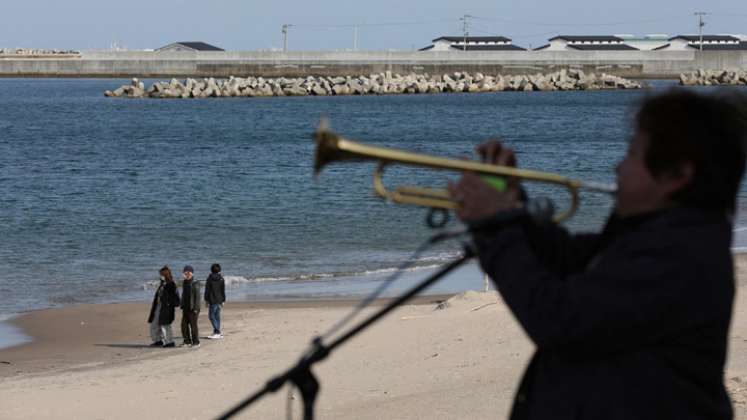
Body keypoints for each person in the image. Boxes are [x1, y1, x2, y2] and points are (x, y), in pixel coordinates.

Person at [449, 89, 747, 419]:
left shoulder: (679, 256)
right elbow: (568, 260)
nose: (618, 166)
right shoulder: (658, 236)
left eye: (632, 154)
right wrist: (513, 200)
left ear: (677, 174)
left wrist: (496, 223)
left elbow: (559, 321)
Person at [147, 266, 180, 348]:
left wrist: (169, 303)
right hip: (158, 307)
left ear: (165, 275)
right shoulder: (162, 284)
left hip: (166, 308)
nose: (160, 276)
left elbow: (176, 299)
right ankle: (158, 341)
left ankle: (170, 342)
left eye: (161, 275)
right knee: (154, 324)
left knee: (165, 325)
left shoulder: (171, 284)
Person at [180, 265, 201, 348]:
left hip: (193, 308)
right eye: (185, 272)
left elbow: (198, 297)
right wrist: (181, 304)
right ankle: (187, 341)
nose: (187, 273)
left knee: (193, 325)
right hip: (185, 307)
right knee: (183, 325)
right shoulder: (184, 282)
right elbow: (183, 294)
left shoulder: (195, 283)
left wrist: (196, 308)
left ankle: (196, 342)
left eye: (189, 272)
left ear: (192, 273)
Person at [204, 263, 226, 339]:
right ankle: (217, 332)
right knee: (217, 316)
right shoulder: (221, 279)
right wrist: (223, 300)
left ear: (211, 270)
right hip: (219, 300)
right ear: (219, 270)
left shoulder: (209, 279)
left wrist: (206, 300)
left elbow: (207, 290)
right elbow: (223, 290)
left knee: (211, 316)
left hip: (212, 300)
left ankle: (217, 331)